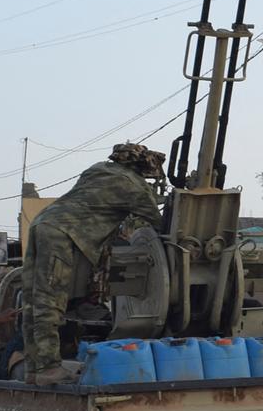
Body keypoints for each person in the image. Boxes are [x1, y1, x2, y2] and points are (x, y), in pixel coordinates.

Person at [17, 143, 165, 385]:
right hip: (64, 234)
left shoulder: (98, 169)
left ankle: (34, 368)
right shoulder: (135, 187)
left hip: (42, 223)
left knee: (34, 301)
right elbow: (160, 224)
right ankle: (48, 367)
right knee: (50, 301)